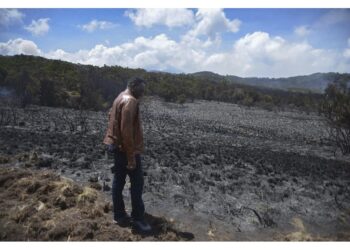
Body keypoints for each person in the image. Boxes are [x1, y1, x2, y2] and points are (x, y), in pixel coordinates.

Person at [103, 77, 151, 233]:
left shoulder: (119, 97)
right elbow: (127, 132)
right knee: (137, 184)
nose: (143, 93)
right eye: (141, 90)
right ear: (133, 87)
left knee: (118, 181)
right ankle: (138, 219)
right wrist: (131, 158)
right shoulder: (130, 101)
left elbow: (111, 118)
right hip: (126, 149)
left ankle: (119, 215)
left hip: (117, 147)